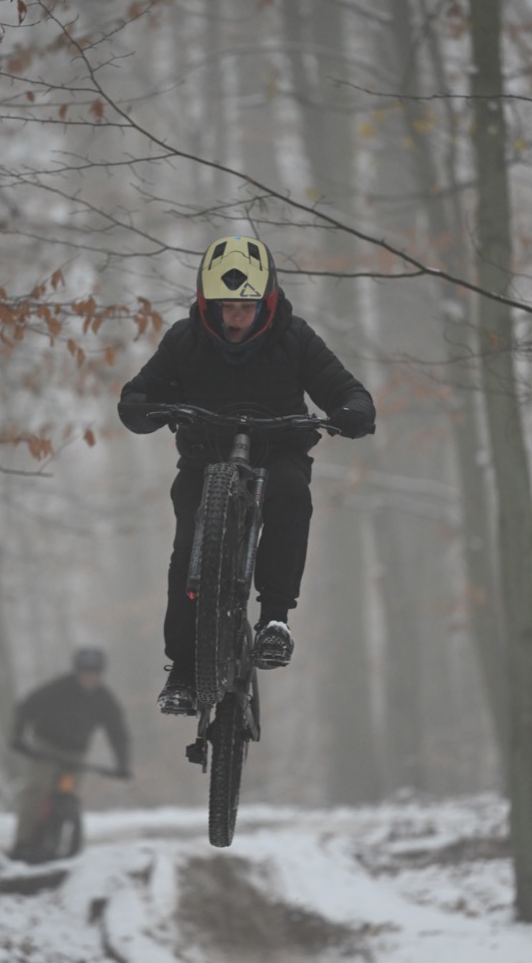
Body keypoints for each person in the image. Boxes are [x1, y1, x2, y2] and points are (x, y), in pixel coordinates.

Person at [117, 233, 375, 715]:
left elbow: (347, 390)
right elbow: (140, 392)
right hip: (204, 456)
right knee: (186, 548)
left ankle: (274, 620)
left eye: (246, 306)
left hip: (277, 451)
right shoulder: (184, 340)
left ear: (267, 302)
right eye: (225, 307)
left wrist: (351, 412)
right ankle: (184, 670)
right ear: (207, 304)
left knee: (291, 496)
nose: (235, 317)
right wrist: (140, 408)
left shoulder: (295, 337)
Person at [8, 646, 132, 860]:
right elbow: (26, 707)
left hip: (75, 754)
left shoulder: (104, 699)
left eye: (94, 674)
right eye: (85, 673)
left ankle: (62, 838)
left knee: (67, 794)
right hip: (45, 747)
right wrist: (18, 736)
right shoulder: (58, 688)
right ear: (77, 673)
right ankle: (22, 842)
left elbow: (117, 732)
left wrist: (123, 764)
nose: (89, 678)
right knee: (37, 789)